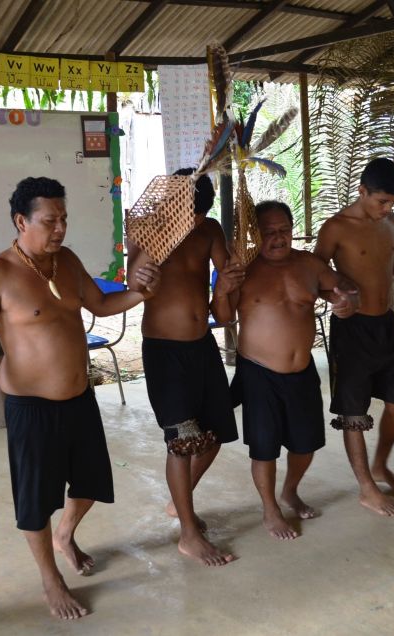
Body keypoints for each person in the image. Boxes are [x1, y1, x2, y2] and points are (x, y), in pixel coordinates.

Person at [0, 177, 160, 620]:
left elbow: (99, 304)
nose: (59, 229)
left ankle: (65, 535)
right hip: (31, 407)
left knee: (92, 483)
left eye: (63, 219)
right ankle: (50, 578)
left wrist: (139, 293)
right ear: (21, 221)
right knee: (35, 500)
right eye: (49, 221)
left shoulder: (68, 261)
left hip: (78, 398)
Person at [213, 201, 358, 539]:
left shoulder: (309, 265)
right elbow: (222, 316)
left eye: (284, 231)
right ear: (255, 235)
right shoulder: (244, 269)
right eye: (269, 233)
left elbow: (347, 289)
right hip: (259, 372)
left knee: (305, 445)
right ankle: (270, 509)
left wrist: (348, 301)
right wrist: (221, 289)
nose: (278, 239)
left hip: (302, 371)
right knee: (264, 448)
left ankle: (289, 491)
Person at [126, 169, 240, 567]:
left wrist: (227, 285)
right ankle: (188, 534)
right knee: (182, 441)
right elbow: (134, 282)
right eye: (187, 214)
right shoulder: (147, 229)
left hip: (202, 347)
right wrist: (154, 246)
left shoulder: (209, 230)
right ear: (172, 204)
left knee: (216, 435)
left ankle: (181, 503)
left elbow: (223, 312)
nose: (191, 224)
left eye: (198, 216)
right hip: (164, 351)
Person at [313, 157, 394, 517]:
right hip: (351, 329)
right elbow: (316, 273)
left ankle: (380, 465)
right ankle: (366, 489)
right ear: (361, 192)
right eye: (381, 202)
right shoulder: (336, 228)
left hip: (385, 324)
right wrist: (333, 297)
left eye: (392, 202)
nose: (387, 209)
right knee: (353, 413)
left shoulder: (391, 222)